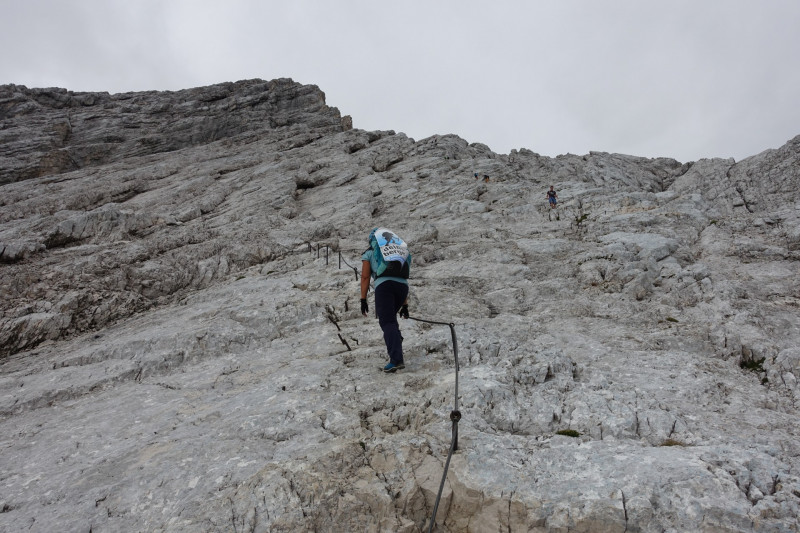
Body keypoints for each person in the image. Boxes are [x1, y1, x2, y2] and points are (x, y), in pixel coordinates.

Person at [360, 229, 410, 373]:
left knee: (386, 321)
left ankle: (396, 360)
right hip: (402, 287)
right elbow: (400, 274)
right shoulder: (395, 251)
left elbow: (364, 277)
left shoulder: (369, 252)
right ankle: (396, 340)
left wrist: (363, 299)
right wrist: (404, 305)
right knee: (391, 320)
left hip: (384, 286)